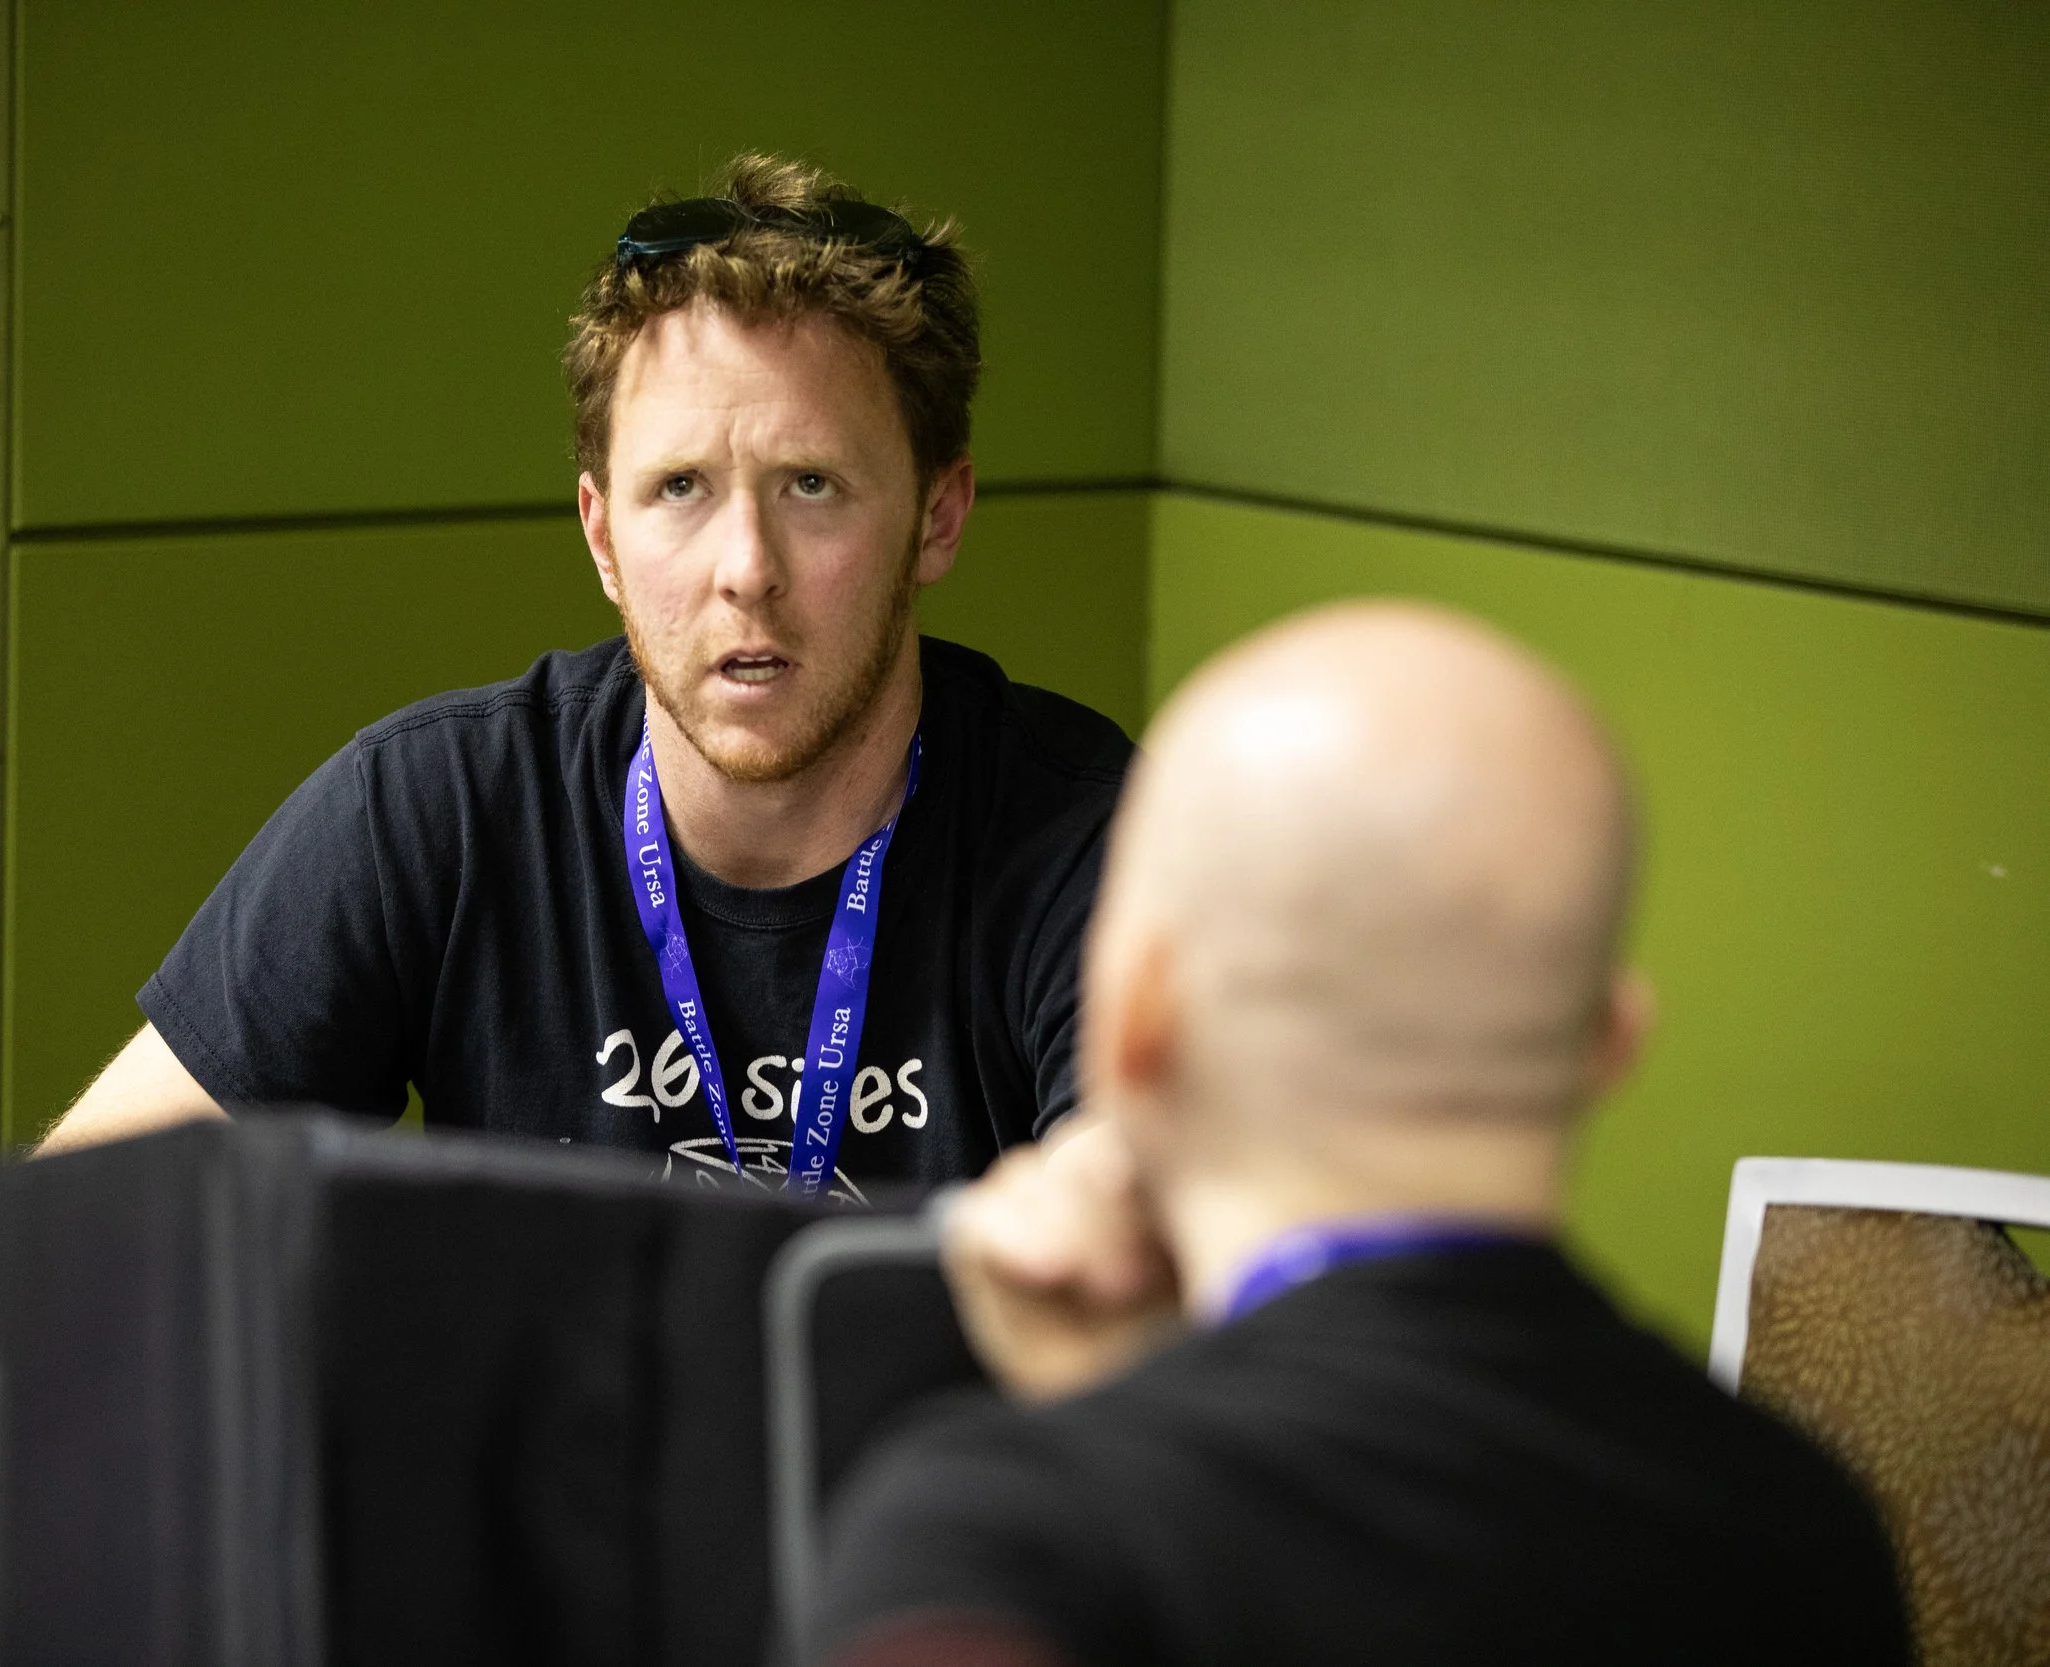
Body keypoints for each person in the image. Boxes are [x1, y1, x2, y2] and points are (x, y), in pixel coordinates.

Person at [808, 602, 1909, 1665]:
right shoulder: (1803, 1530)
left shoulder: (996, 1551)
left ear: (1137, 1022)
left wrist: (1089, 1437)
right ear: (1609, 1043)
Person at [37, 155, 1132, 1199]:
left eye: (810, 483)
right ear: (602, 537)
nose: (746, 569)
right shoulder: (440, 811)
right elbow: (78, 1219)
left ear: (937, 516)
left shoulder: (1094, 842)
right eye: (681, 488)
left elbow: (1160, 1231)